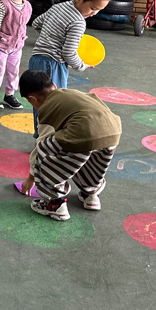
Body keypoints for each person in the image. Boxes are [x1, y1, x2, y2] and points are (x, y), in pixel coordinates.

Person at [17, 69, 122, 221]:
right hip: (112, 133)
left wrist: (31, 178)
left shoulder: (47, 109)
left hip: (83, 135)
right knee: (86, 156)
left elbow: (41, 145)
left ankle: (55, 204)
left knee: (44, 149)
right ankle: (91, 195)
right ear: (54, 85)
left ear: (33, 99)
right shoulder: (72, 94)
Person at [27, 0, 112, 135]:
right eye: (93, 8)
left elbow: (37, 23)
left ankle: (40, 136)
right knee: (55, 104)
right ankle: (46, 140)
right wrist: (81, 65)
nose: (94, 13)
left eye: (98, 10)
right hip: (53, 65)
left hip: (36, 59)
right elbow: (68, 52)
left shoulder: (57, 7)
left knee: (40, 103)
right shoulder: (78, 22)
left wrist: (50, 36)